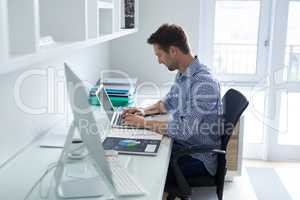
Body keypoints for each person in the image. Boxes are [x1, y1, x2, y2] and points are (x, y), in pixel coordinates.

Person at [122, 24, 222, 199]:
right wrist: (142, 111)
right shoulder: (184, 74)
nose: (159, 60)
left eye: (160, 55)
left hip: (197, 157)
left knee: (146, 174)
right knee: (138, 160)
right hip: (182, 146)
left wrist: (144, 124)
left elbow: (184, 131)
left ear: (173, 51)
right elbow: (168, 103)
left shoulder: (203, 84)